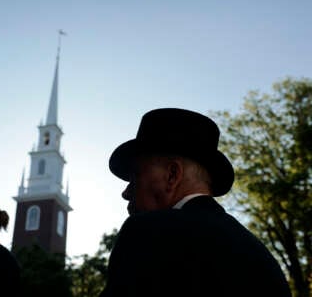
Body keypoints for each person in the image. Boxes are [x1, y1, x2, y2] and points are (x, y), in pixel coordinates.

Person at [100, 108, 291, 297]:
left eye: (135, 177)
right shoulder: (261, 257)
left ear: (172, 175)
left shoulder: (147, 232)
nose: (125, 193)